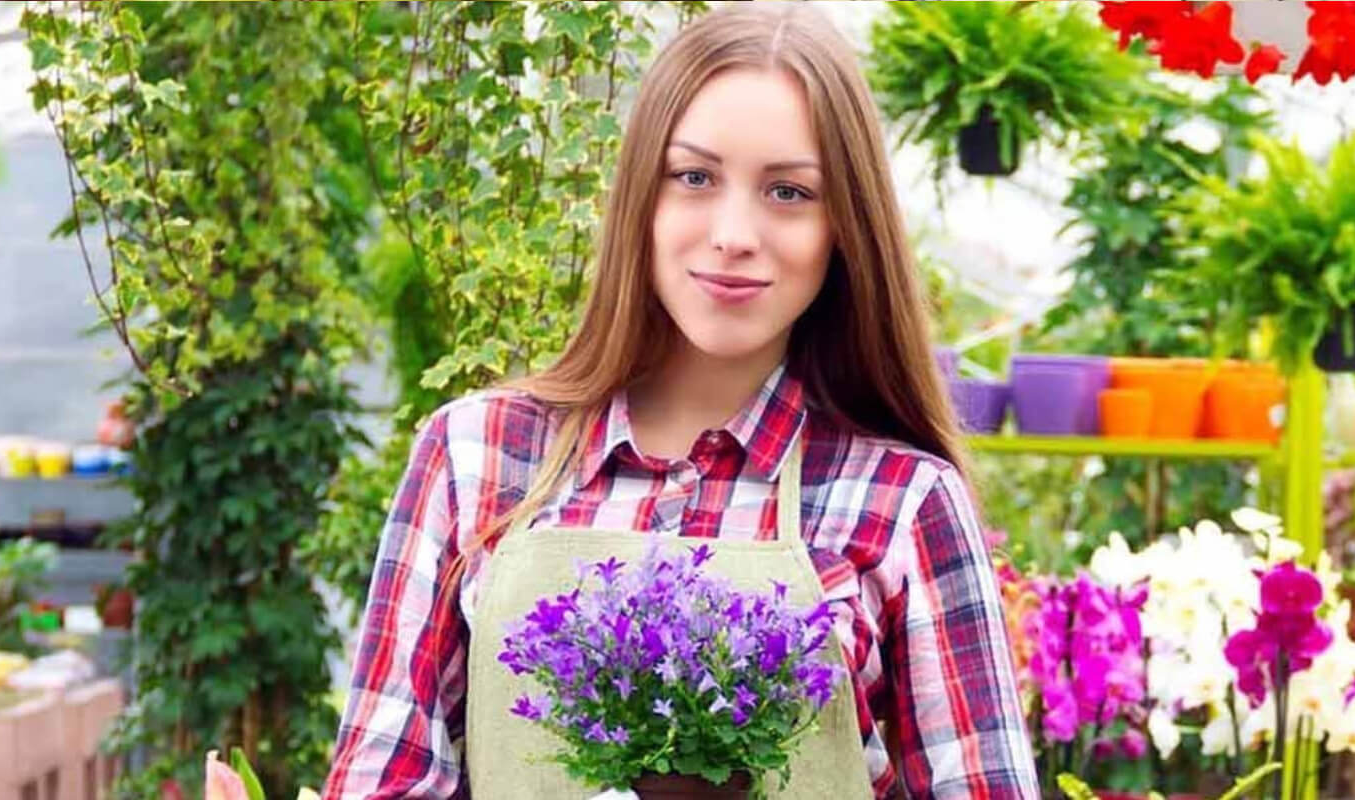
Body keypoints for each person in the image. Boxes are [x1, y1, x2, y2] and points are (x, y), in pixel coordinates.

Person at [322, 5, 1036, 798]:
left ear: (846, 228)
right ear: (642, 199)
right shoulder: (478, 456)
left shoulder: (904, 504)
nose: (734, 232)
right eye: (694, 177)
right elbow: (384, 781)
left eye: (790, 192)